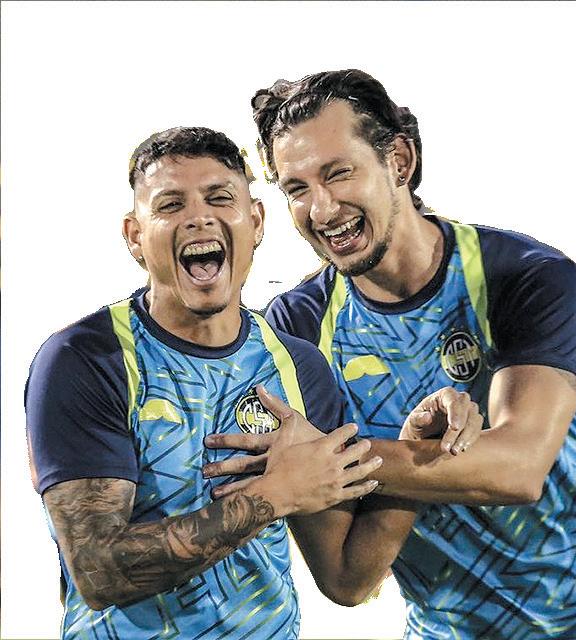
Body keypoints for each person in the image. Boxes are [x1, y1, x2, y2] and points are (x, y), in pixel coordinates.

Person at [210, 70, 576, 639]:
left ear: (399, 160)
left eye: (338, 173)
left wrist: (325, 463)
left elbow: (519, 468)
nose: (321, 210)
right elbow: (348, 579)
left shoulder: (522, 276)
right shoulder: (295, 331)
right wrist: (410, 446)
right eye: (296, 189)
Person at [24, 126, 406, 639]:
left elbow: (346, 579)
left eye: (220, 198)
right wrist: (275, 495)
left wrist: (418, 446)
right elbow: (99, 572)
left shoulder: (298, 367)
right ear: (135, 236)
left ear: (256, 221)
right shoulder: (87, 358)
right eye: (171, 204)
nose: (199, 217)